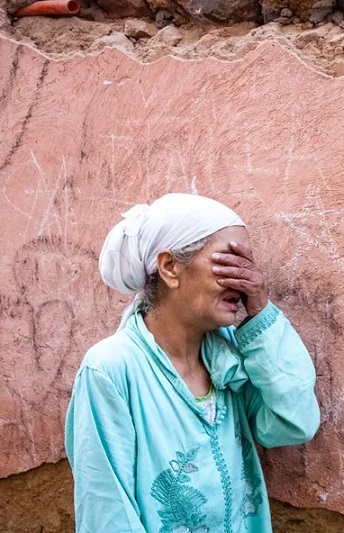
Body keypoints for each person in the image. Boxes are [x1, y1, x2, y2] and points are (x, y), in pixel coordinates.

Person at [64, 193, 321, 532]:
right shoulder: (110, 369)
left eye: (247, 264)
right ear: (170, 267)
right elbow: (107, 512)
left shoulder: (227, 357)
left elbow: (294, 422)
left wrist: (260, 313)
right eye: (230, 261)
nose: (246, 279)